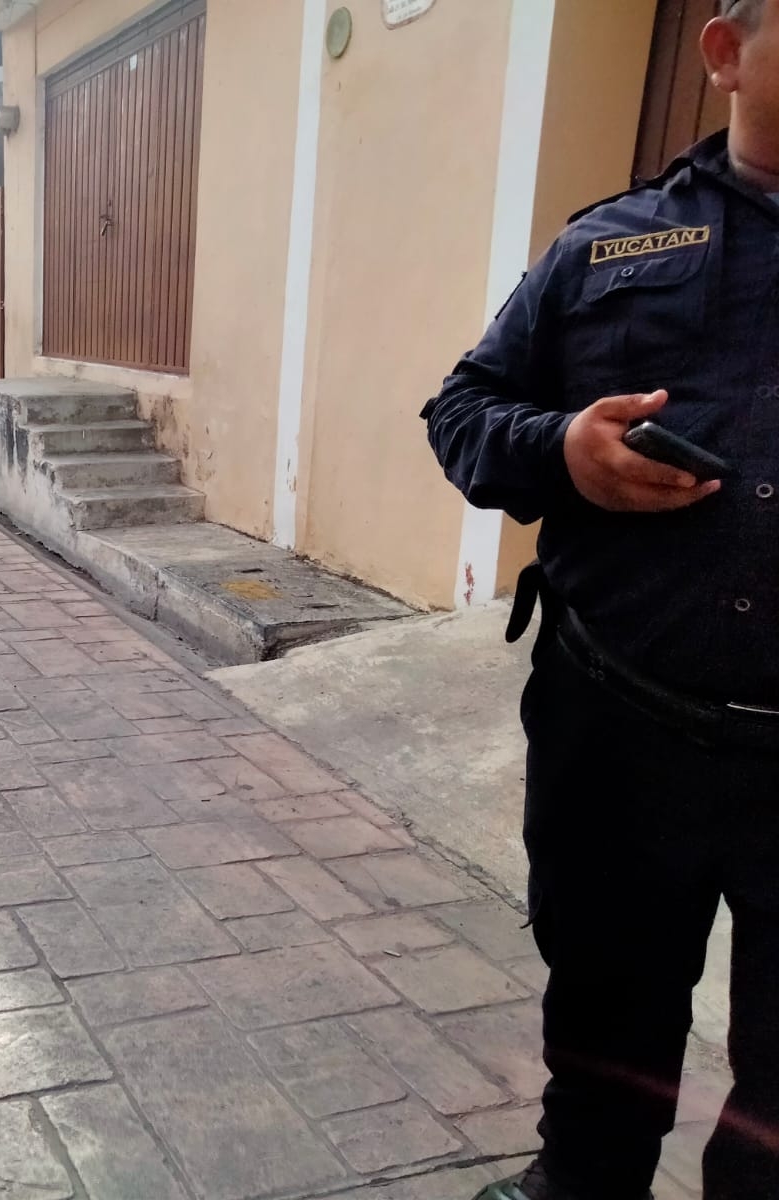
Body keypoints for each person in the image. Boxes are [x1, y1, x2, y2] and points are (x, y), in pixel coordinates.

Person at [424, 3, 779, 1198]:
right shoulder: (607, 247)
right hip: (621, 732)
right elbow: (463, 412)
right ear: (725, 51)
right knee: (607, 1040)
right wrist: (561, 451)